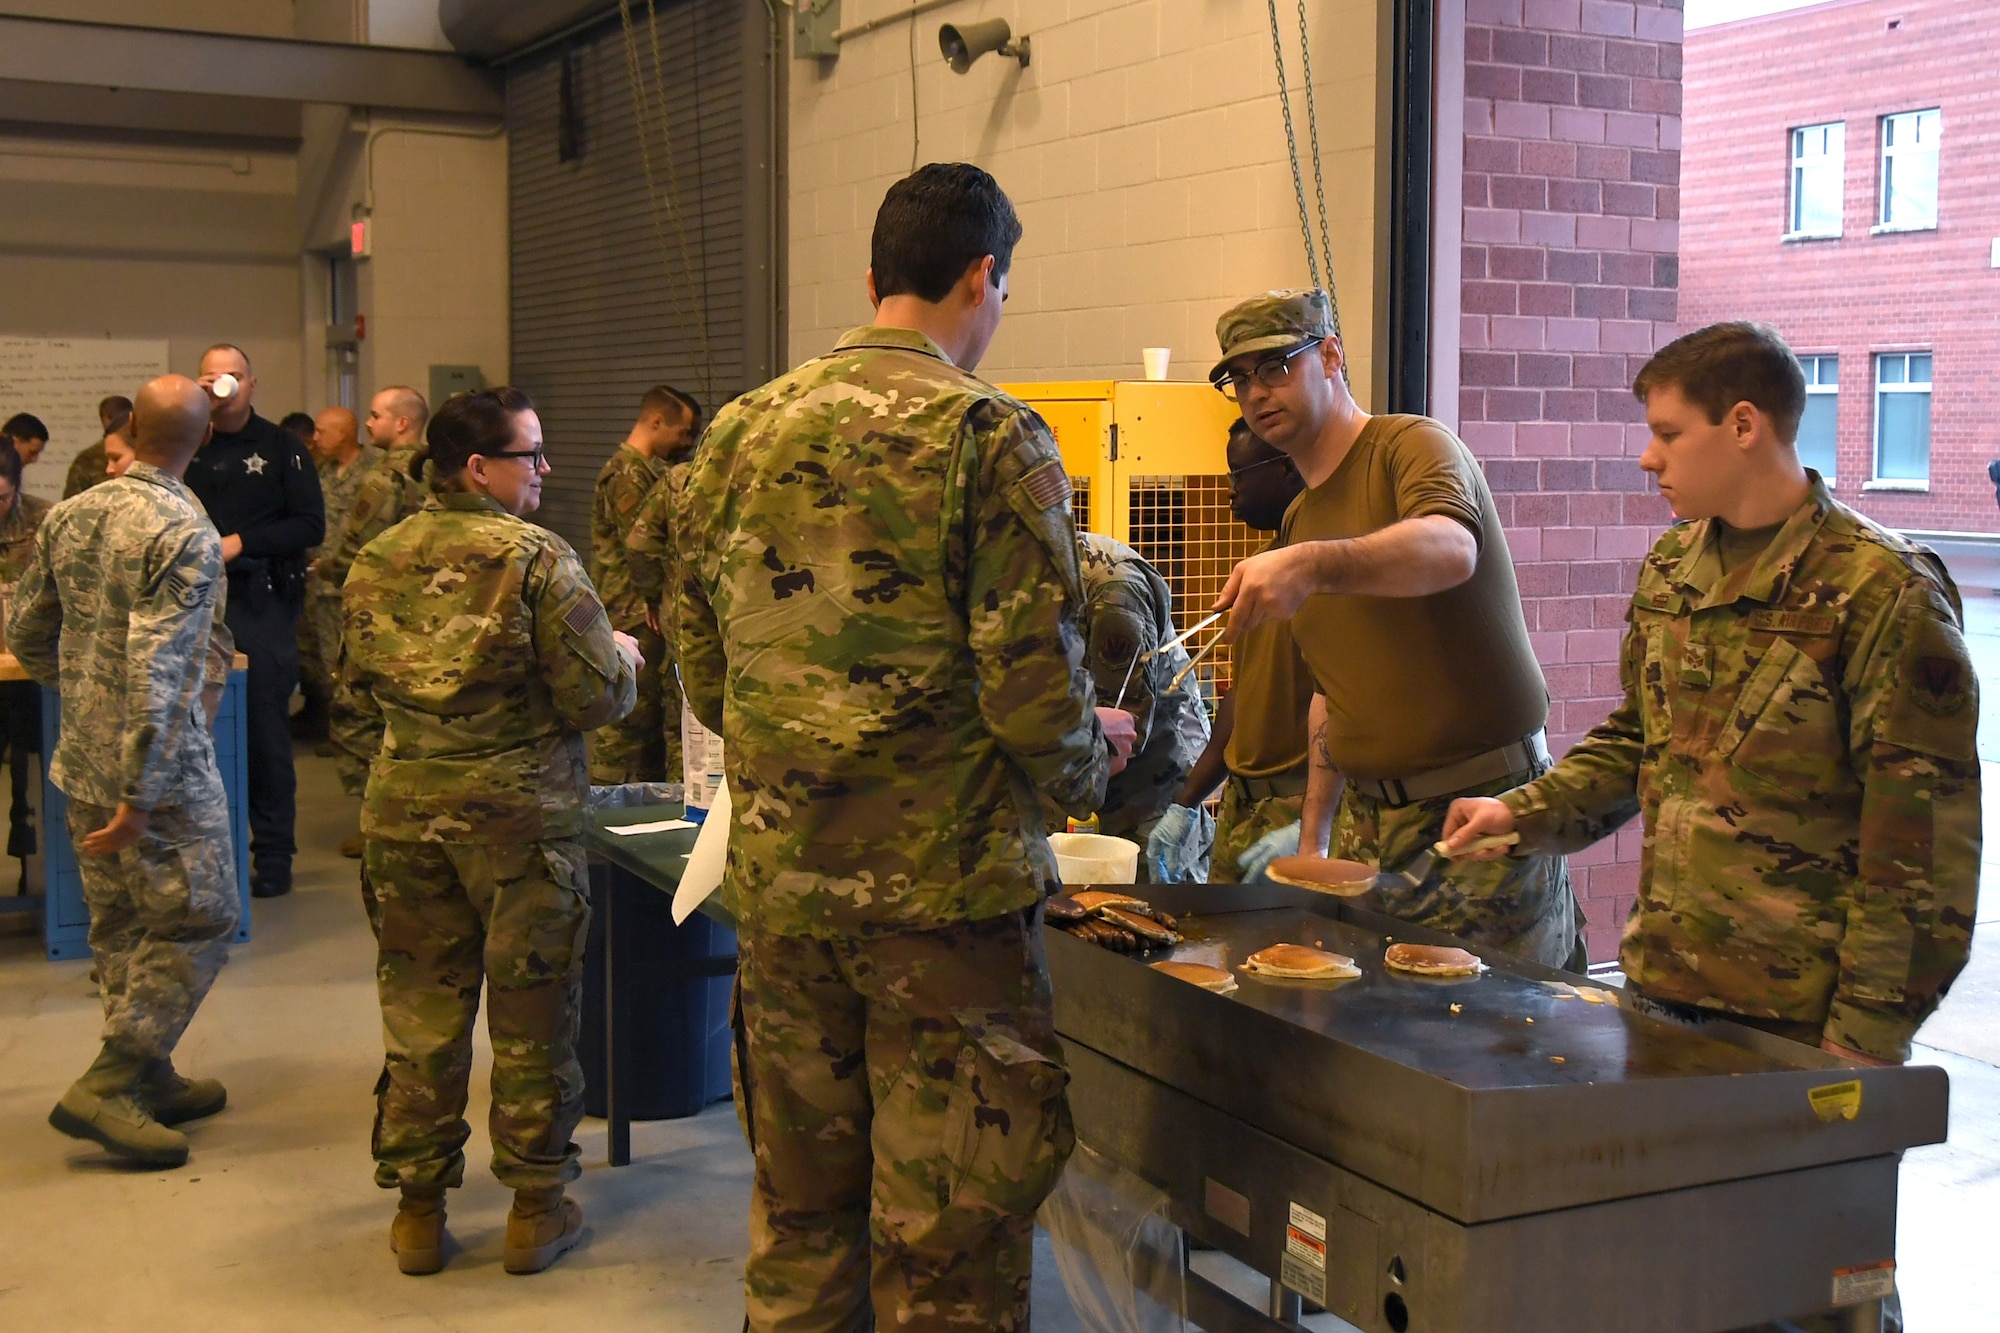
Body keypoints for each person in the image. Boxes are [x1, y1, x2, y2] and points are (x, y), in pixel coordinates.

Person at [678, 162, 1135, 1332]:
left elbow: (706, 669)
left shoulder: (736, 431)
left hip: (784, 899)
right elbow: (1033, 693)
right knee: (949, 1241)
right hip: (947, 918)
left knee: (798, 1220)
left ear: (872, 276)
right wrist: (1094, 758)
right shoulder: (989, 436)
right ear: (981, 275)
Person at [1444, 322, 1978, 1065]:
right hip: (1663, 989)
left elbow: (1922, 847)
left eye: (1667, 432)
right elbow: (1643, 739)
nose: (1647, 456)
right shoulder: (1674, 566)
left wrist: (1867, 1037)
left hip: (1801, 1025)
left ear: (1743, 425)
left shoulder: (1881, 592)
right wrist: (1522, 812)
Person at [337, 386, 640, 1276]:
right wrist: (619, 655)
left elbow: (353, 679)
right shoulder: (537, 559)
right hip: (523, 829)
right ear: (478, 466)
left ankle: (419, 1212)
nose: (545, 468)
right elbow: (597, 698)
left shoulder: (376, 557)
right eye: (531, 454)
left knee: (420, 1020)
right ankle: (535, 1208)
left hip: (405, 824)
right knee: (534, 1019)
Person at [1212, 290, 1583, 969]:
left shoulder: (1409, 447)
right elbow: (1334, 689)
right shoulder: (1300, 518)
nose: (1256, 392)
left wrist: (1315, 565)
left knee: (1495, 1034)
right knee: (1383, 1035)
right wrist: (1314, 836)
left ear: (1331, 355)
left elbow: (1449, 547)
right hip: (1371, 824)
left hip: (1477, 811)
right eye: (1239, 379)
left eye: (1275, 368)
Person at [11, 374, 236, 1169]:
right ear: (205, 439)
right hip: (161, 772)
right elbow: (162, 666)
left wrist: (76, 693)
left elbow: (28, 627)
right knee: (203, 915)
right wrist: (142, 795)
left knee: (123, 924)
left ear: (130, 427)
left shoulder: (72, 513)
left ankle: (151, 1072)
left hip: (82, 753)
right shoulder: (186, 531)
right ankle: (108, 1082)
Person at [184, 343, 325, 900]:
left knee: (265, 729)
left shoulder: (280, 447)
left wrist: (244, 543)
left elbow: (310, 524)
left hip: (259, 601)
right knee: (193, 730)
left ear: (252, 383)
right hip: (192, 602)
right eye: (212, 377)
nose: (224, 385)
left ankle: (273, 854)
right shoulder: (186, 441)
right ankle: (203, 854)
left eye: (234, 376)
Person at [1149, 419, 1315, 883]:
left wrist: (1319, 827)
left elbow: (1355, 711)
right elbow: (1241, 702)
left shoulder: (1320, 577)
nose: (1230, 488)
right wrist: (1186, 803)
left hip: (1298, 811)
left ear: (1287, 467)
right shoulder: (1261, 576)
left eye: (1239, 473)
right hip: (1244, 807)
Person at [1074, 530, 1214, 879]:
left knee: (1161, 909)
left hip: (1151, 787)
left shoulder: (1111, 586)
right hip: (1078, 782)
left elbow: (1121, 735)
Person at [323, 386, 430, 832]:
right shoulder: (440, 472)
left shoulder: (384, 478)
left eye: (374, 416)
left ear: (401, 423)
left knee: (360, 719)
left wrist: (326, 571)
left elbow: (356, 548)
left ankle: (381, 822)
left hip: (381, 614)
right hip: (428, 614)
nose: (368, 424)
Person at [587, 386, 699, 784]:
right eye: (682, 432)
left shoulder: (652, 472)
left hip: (647, 612)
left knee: (651, 721)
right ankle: (607, 803)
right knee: (627, 723)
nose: (686, 443)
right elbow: (640, 544)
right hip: (633, 612)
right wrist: (654, 597)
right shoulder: (627, 475)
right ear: (656, 422)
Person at [622, 388, 705, 779]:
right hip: (721, 624)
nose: (685, 442)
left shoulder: (678, 479)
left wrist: (658, 596)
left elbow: (639, 543)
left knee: (680, 725)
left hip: (683, 622)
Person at [295, 407, 379, 743]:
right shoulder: (323, 470)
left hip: (350, 580)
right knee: (316, 658)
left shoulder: (372, 474)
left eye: (322, 431)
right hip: (317, 581)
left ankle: (350, 733)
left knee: (345, 662)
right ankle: (326, 722)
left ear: (344, 433)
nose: (315, 438)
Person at [0, 444, 54, 874]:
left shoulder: (45, 519)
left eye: (1, 497)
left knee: (33, 774)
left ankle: (32, 874)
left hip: (29, 671)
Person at [63, 395, 130, 499]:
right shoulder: (150, 453)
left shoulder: (87, 458)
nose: (110, 469)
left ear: (104, 418)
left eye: (116, 459)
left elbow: (71, 505)